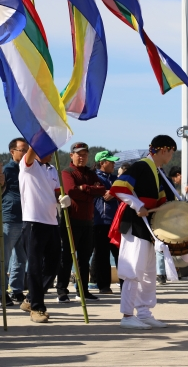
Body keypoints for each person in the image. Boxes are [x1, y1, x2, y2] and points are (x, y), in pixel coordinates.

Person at [109, 135, 177, 329]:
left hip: (148, 226)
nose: (172, 156)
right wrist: (137, 204)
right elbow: (119, 187)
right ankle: (127, 315)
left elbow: (163, 200)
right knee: (132, 271)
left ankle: (144, 312)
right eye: (172, 151)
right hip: (135, 224)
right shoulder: (140, 166)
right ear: (164, 149)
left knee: (148, 272)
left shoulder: (157, 171)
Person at [19, 145, 70, 323]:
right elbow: (32, 150)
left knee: (54, 264)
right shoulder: (29, 165)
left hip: (52, 221)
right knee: (34, 267)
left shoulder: (52, 168)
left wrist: (63, 199)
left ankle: (30, 297)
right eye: (49, 150)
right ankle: (37, 308)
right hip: (33, 221)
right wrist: (42, 132)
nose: (52, 154)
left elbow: (56, 192)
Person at [56, 142, 106, 303]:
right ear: (72, 155)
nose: (82, 157)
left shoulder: (91, 173)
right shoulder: (67, 172)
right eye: (79, 154)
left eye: (84, 154)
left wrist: (84, 188)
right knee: (67, 257)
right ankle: (62, 290)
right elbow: (70, 191)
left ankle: (83, 290)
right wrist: (90, 193)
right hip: (71, 219)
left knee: (84, 258)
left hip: (87, 221)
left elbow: (102, 190)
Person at [1, 138, 29, 306]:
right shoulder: (6, 170)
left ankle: (16, 290)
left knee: (21, 258)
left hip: (26, 218)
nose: (26, 153)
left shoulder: (29, 168)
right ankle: (1, 292)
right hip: (10, 219)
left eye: (28, 150)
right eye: (22, 150)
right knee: (4, 258)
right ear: (13, 152)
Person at [92, 150, 120, 294]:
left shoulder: (115, 178)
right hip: (100, 221)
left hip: (116, 222)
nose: (114, 164)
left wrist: (114, 191)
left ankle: (125, 283)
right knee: (102, 255)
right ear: (102, 163)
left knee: (120, 254)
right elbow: (103, 194)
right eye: (111, 161)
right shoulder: (94, 177)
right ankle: (103, 286)